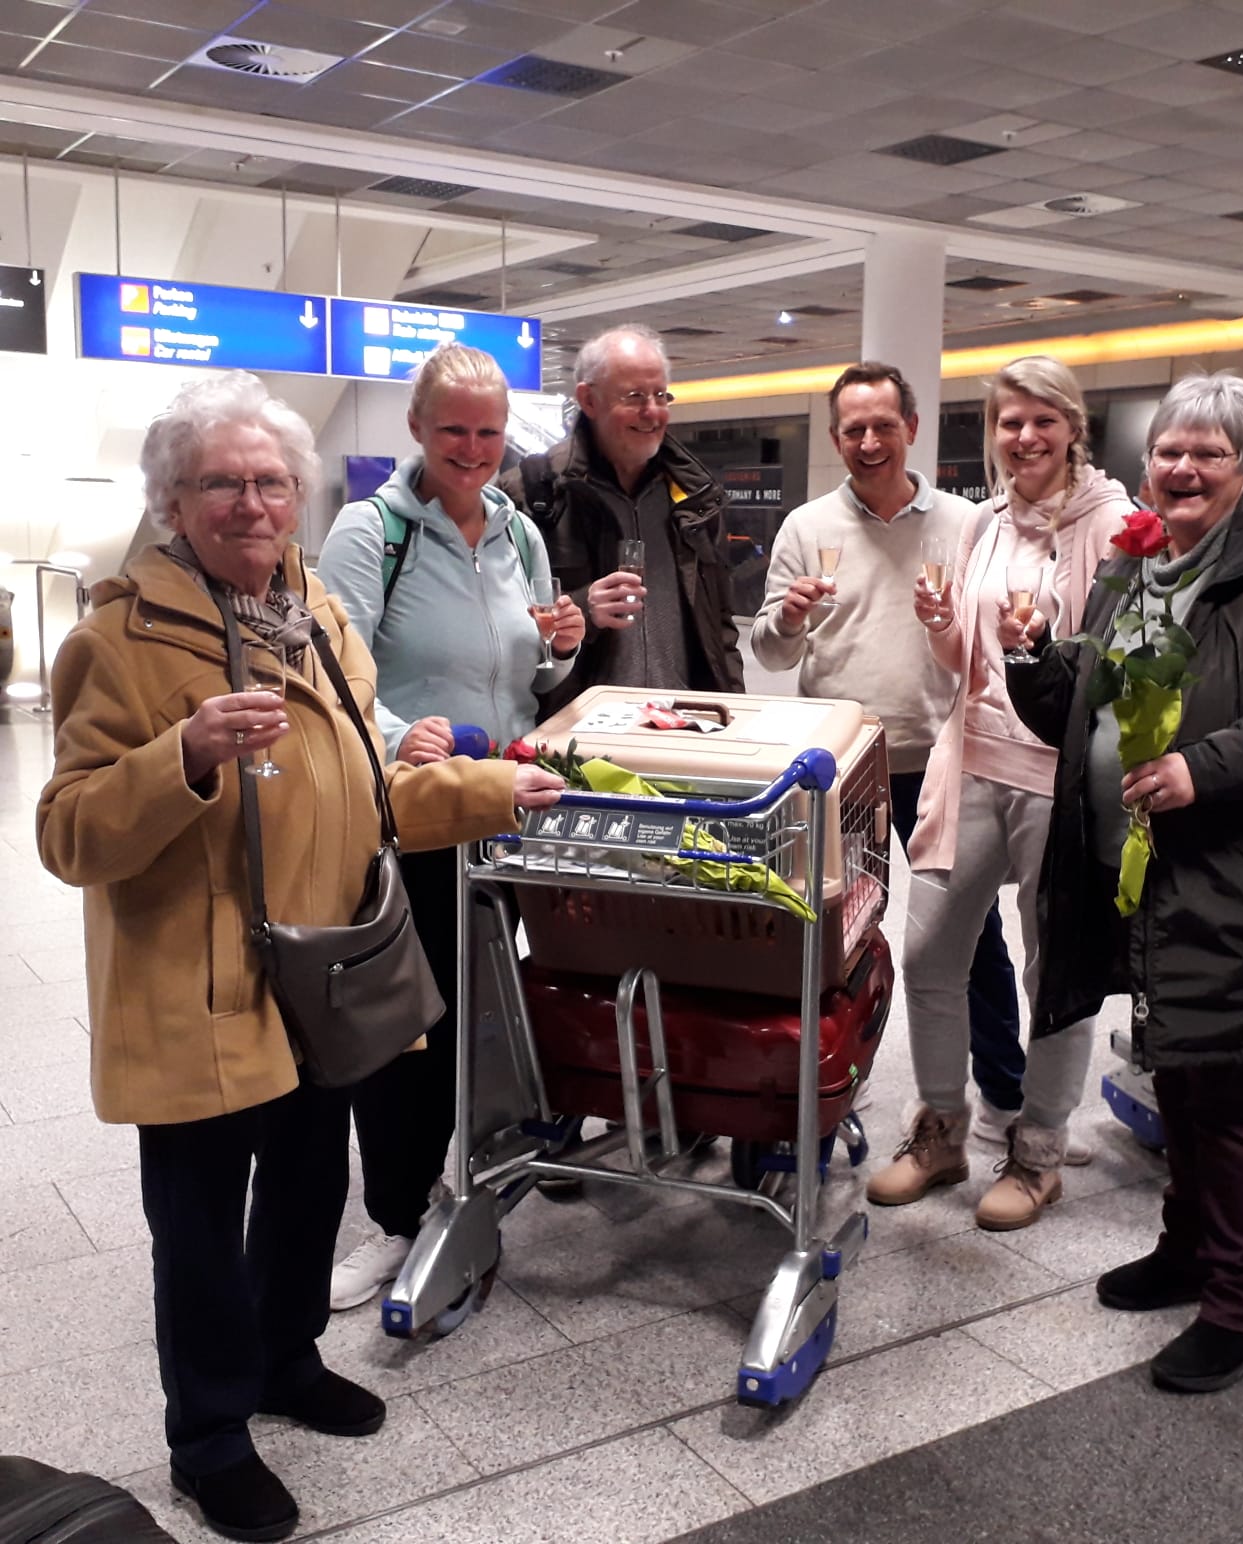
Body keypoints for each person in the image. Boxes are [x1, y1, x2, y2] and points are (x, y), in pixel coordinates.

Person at [35, 371, 564, 1543]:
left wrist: (488, 790)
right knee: (202, 1217)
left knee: (308, 1186)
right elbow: (67, 832)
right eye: (219, 481)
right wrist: (182, 753)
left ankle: (285, 1358)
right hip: (199, 981)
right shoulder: (116, 639)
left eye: (271, 479)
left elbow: (370, 792)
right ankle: (209, 1433)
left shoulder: (317, 613)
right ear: (172, 498)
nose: (250, 502)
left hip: (320, 971)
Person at [1006, 372, 1243, 1393]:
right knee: (1177, 1065)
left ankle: (1241, 1305)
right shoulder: (1135, 565)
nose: (1180, 467)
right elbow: (1081, 706)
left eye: (1206, 453)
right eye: (1168, 450)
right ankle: (1187, 1249)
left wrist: (1196, 768)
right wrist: (1032, 658)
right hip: (1146, 870)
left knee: (1222, 1090)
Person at [316, 343, 584, 1313]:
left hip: (510, 805)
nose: (473, 449)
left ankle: (484, 1158)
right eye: (453, 429)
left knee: (494, 1000)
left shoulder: (518, 526)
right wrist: (399, 730)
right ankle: (393, 1217)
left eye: (488, 430)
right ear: (417, 430)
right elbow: (333, 675)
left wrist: (564, 646)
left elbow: (533, 675)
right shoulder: (370, 530)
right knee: (409, 1026)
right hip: (419, 814)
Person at [866, 357, 1133, 1228]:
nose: (1024, 438)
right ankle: (942, 1130)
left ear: (1072, 426)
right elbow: (967, 665)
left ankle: (1039, 1150)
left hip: (1058, 781)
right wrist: (946, 628)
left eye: (1041, 421)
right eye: (1009, 423)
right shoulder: (983, 525)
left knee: (1052, 970)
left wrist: (1046, 648)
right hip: (972, 763)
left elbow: (1119, 669)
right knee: (930, 953)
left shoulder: (1114, 525)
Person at [750, 360, 1027, 1144]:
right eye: (852, 429)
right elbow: (771, 653)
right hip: (840, 773)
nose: (868, 441)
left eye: (882, 425)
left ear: (911, 428)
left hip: (943, 763)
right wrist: (790, 619)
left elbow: (991, 636)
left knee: (973, 940)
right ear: (836, 437)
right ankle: (841, 1084)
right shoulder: (807, 528)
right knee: (837, 942)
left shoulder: (967, 524)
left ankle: (1005, 1097)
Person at [498, 324, 743, 710]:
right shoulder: (534, 492)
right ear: (588, 400)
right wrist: (583, 609)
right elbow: (500, 625)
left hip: (684, 726)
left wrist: (733, 712)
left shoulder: (695, 496)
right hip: (579, 734)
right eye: (634, 396)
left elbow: (720, 627)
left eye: (661, 395)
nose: (652, 411)